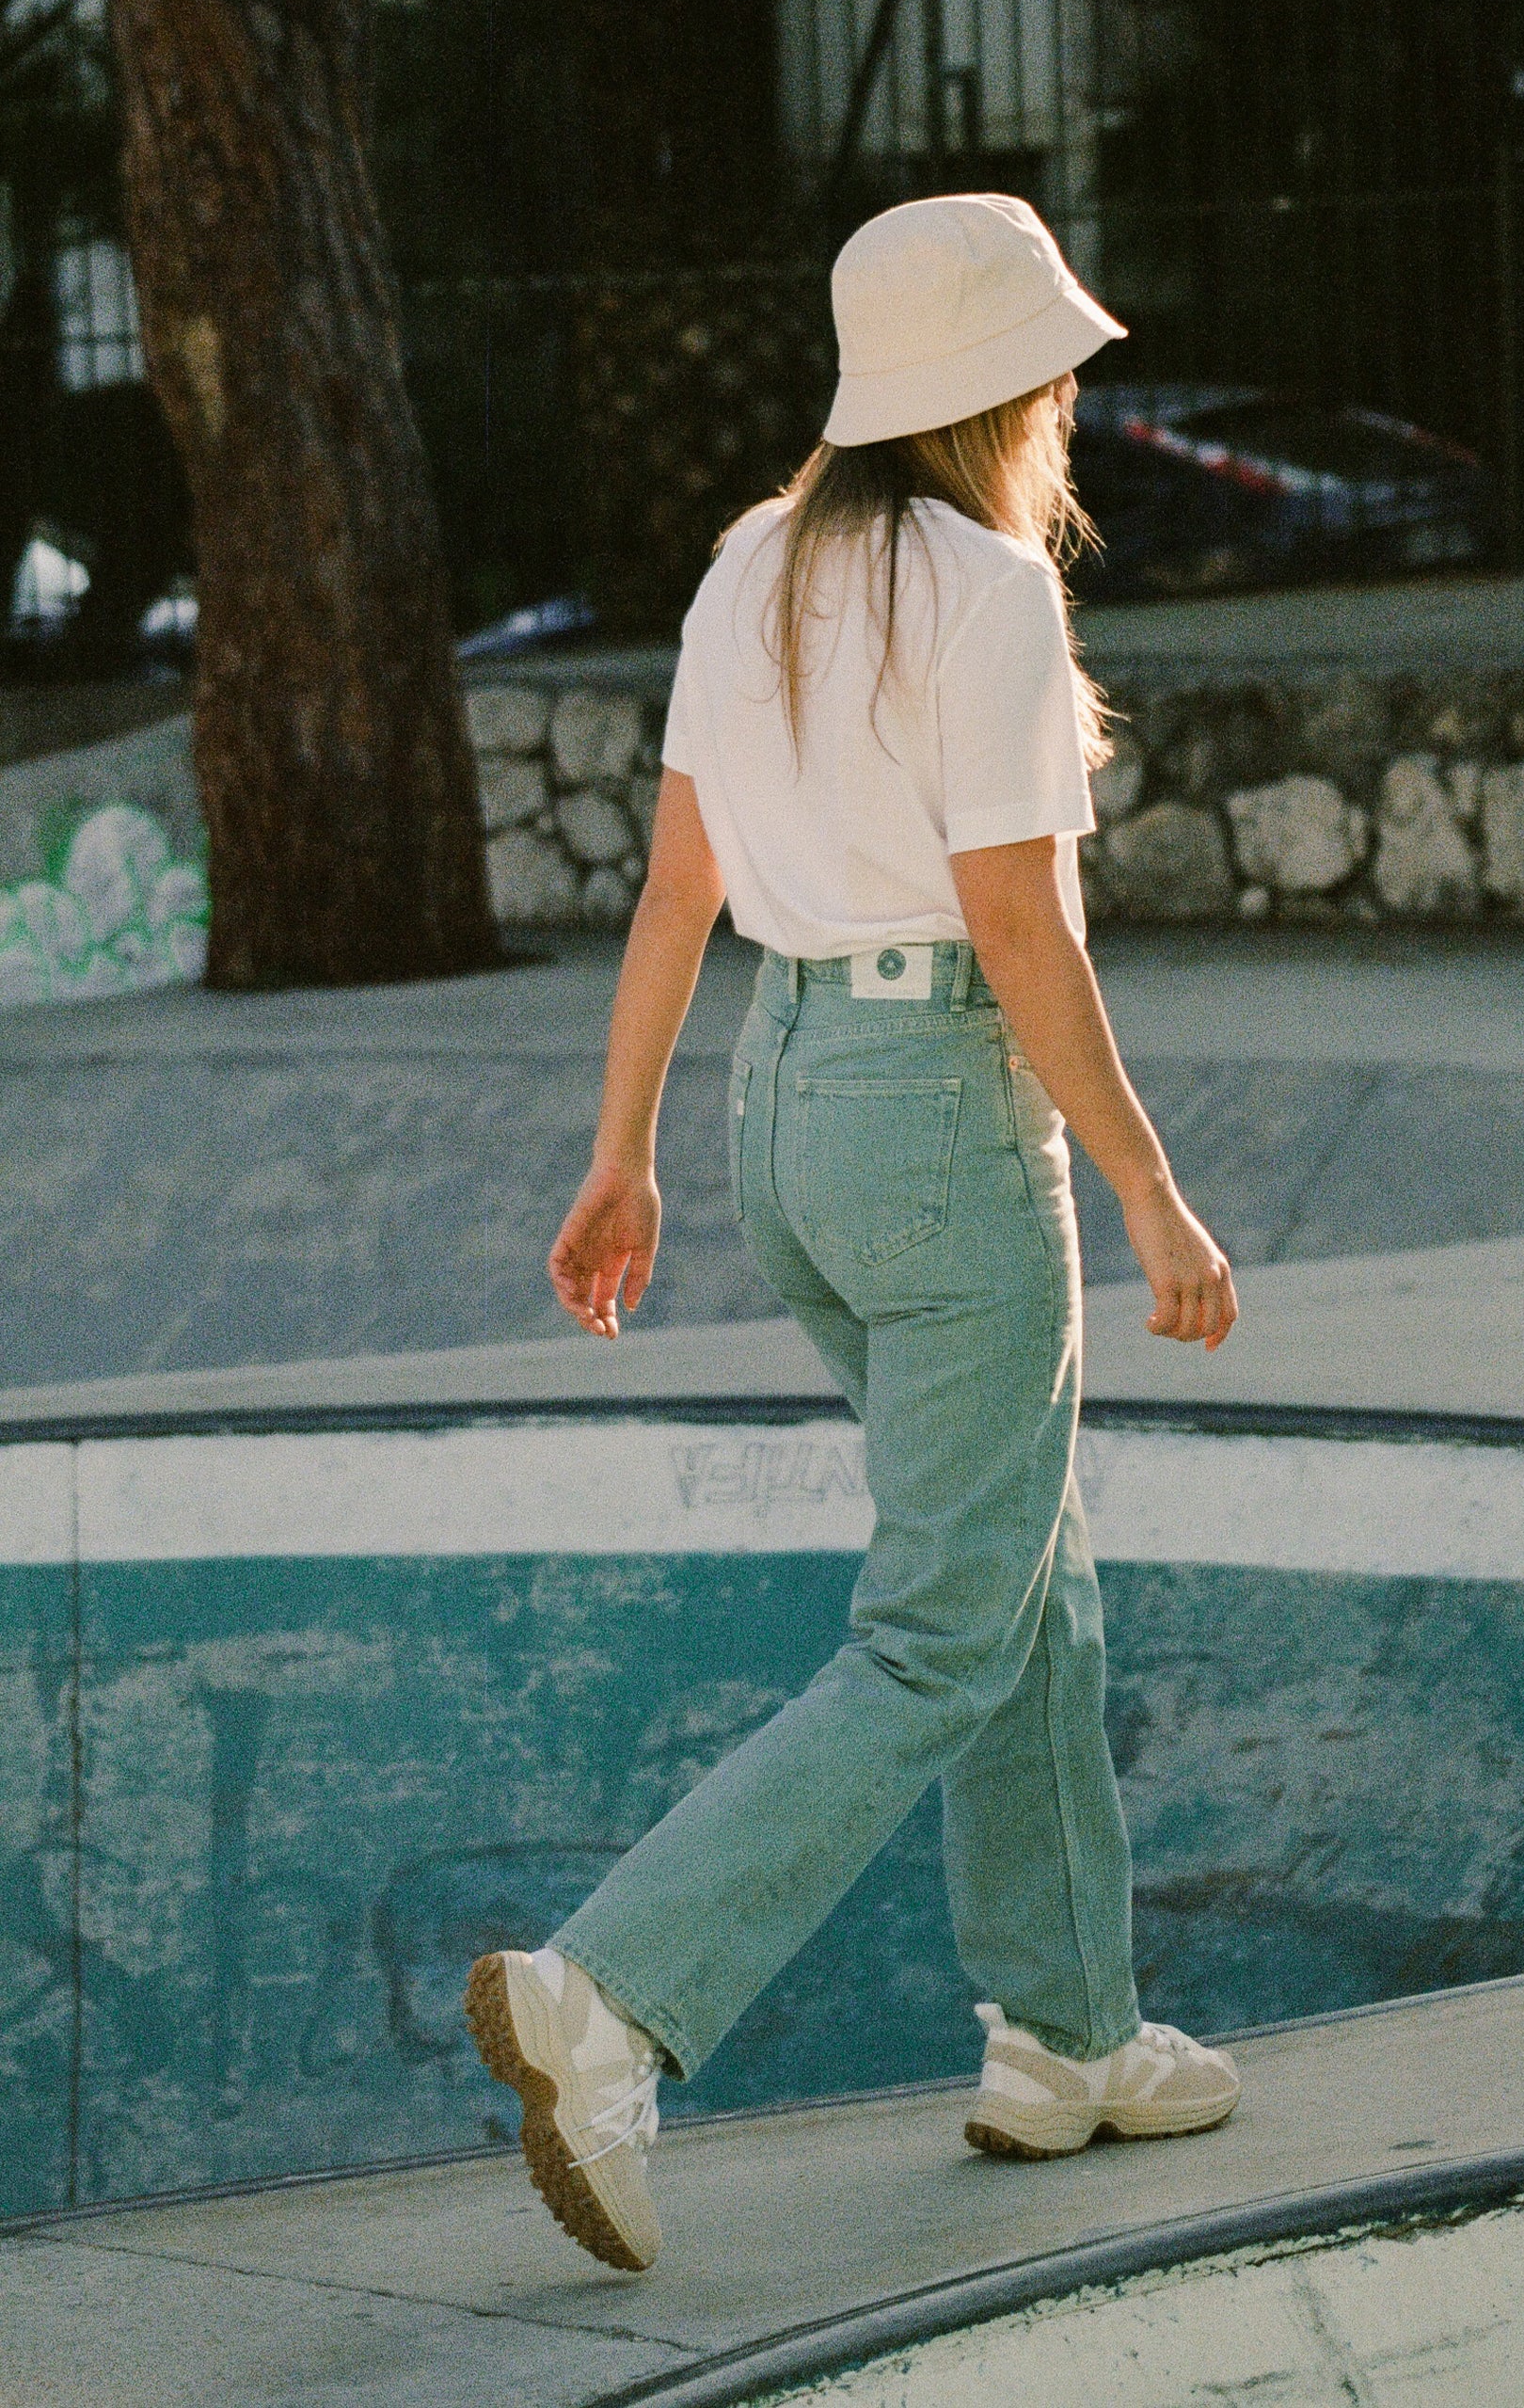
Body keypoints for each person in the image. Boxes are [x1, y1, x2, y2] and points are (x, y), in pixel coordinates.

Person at [466, 193, 1241, 2274]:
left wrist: (619, 1152)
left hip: (778, 1114)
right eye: (1056, 363)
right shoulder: (987, 593)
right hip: (939, 1122)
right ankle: (612, 1996)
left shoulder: (751, 570)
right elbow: (1020, 930)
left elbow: (670, 900)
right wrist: (1156, 1191)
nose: (1073, 388)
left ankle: (1067, 2035)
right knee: (939, 1626)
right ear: (1007, 389)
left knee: (1019, 1561)